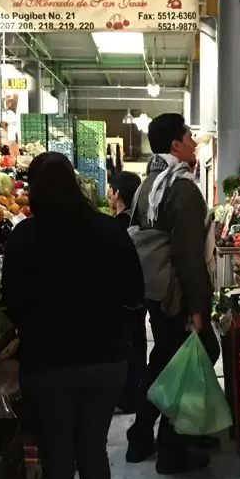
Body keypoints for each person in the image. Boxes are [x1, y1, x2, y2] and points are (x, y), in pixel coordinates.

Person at [2, 152, 144, 479]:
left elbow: (11, 302)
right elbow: (135, 294)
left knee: (58, 458)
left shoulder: (25, 238)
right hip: (105, 361)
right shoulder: (109, 230)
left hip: (48, 364)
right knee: (93, 451)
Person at [128, 113, 219, 474]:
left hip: (156, 289)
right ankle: (172, 446)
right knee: (193, 354)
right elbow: (187, 253)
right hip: (176, 294)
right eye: (189, 136)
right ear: (175, 145)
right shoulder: (182, 188)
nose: (195, 143)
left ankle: (141, 434)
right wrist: (197, 306)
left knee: (165, 358)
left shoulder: (148, 184)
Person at [108, 171, 146, 413]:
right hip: (140, 296)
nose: (109, 195)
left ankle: (128, 396)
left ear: (117, 193)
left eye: (110, 190)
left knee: (125, 347)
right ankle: (135, 394)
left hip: (121, 299)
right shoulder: (141, 223)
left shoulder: (116, 227)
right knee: (138, 345)